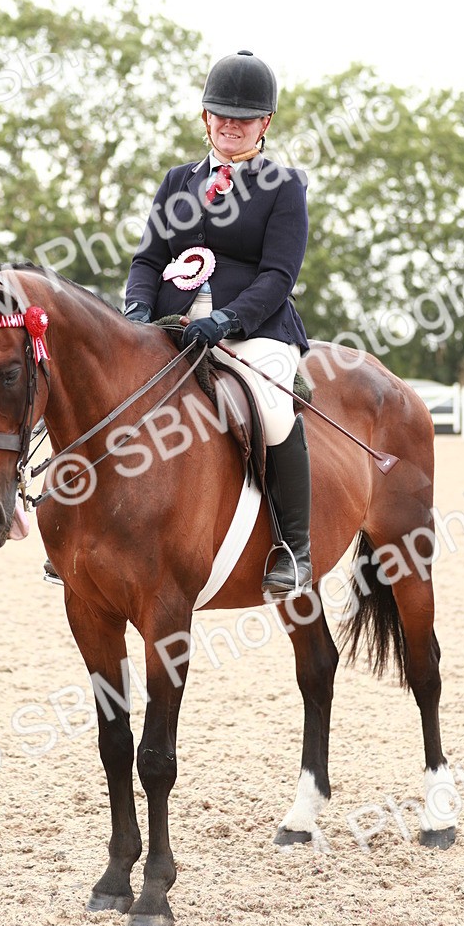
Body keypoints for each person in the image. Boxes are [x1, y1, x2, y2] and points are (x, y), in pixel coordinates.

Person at [123, 50, 312, 600]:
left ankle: (293, 549)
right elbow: (147, 260)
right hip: (167, 323)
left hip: (255, 330)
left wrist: (229, 319)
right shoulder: (178, 180)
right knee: (102, 392)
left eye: (243, 118)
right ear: (205, 117)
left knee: (274, 410)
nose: (229, 125)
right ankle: (81, 532)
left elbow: (279, 274)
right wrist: (137, 311)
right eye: (219, 114)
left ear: (265, 124)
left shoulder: (283, 185)